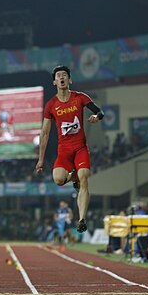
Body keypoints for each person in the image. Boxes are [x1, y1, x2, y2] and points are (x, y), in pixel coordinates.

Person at [36, 65, 104, 232]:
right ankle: (74, 179)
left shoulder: (80, 97)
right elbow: (44, 133)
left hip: (80, 148)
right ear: (54, 82)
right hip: (64, 151)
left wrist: (96, 117)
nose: (62, 77)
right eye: (58, 75)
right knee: (58, 180)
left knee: (84, 178)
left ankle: (81, 220)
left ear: (69, 80)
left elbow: (99, 111)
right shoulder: (51, 105)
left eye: (64, 75)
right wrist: (40, 160)